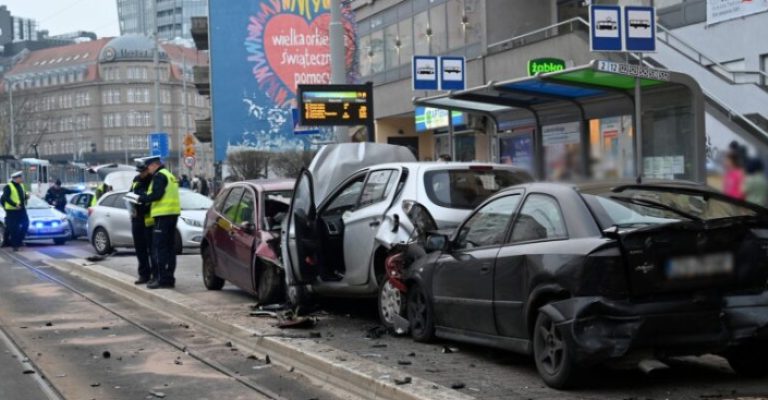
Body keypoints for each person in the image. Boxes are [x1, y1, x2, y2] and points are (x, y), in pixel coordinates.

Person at [135, 156, 181, 289]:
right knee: (169, 248)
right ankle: (169, 278)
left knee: (159, 248)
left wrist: (141, 198)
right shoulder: (169, 175)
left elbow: (157, 195)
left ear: (154, 165)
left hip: (162, 216)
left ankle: (161, 279)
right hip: (172, 214)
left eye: (148, 166)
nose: (148, 169)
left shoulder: (159, 176)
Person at [130, 164, 156, 285]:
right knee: (140, 249)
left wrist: (142, 200)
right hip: (137, 218)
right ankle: (143, 274)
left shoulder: (153, 180)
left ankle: (154, 275)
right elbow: (130, 195)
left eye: (143, 172)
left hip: (149, 220)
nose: (141, 174)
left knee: (152, 249)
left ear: (148, 170)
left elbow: (152, 198)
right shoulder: (136, 179)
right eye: (139, 172)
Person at [1, 171, 30, 251]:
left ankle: (18, 241)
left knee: (26, 224)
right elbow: (5, 198)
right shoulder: (8, 186)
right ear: (16, 178)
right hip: (12, 210)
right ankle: (15, 245)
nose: (22, 179)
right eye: (21, 178)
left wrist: (26, 196)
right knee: (14, 228)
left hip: (21, 209)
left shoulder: (21, 185)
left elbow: (22, 195)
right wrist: (14, 204)